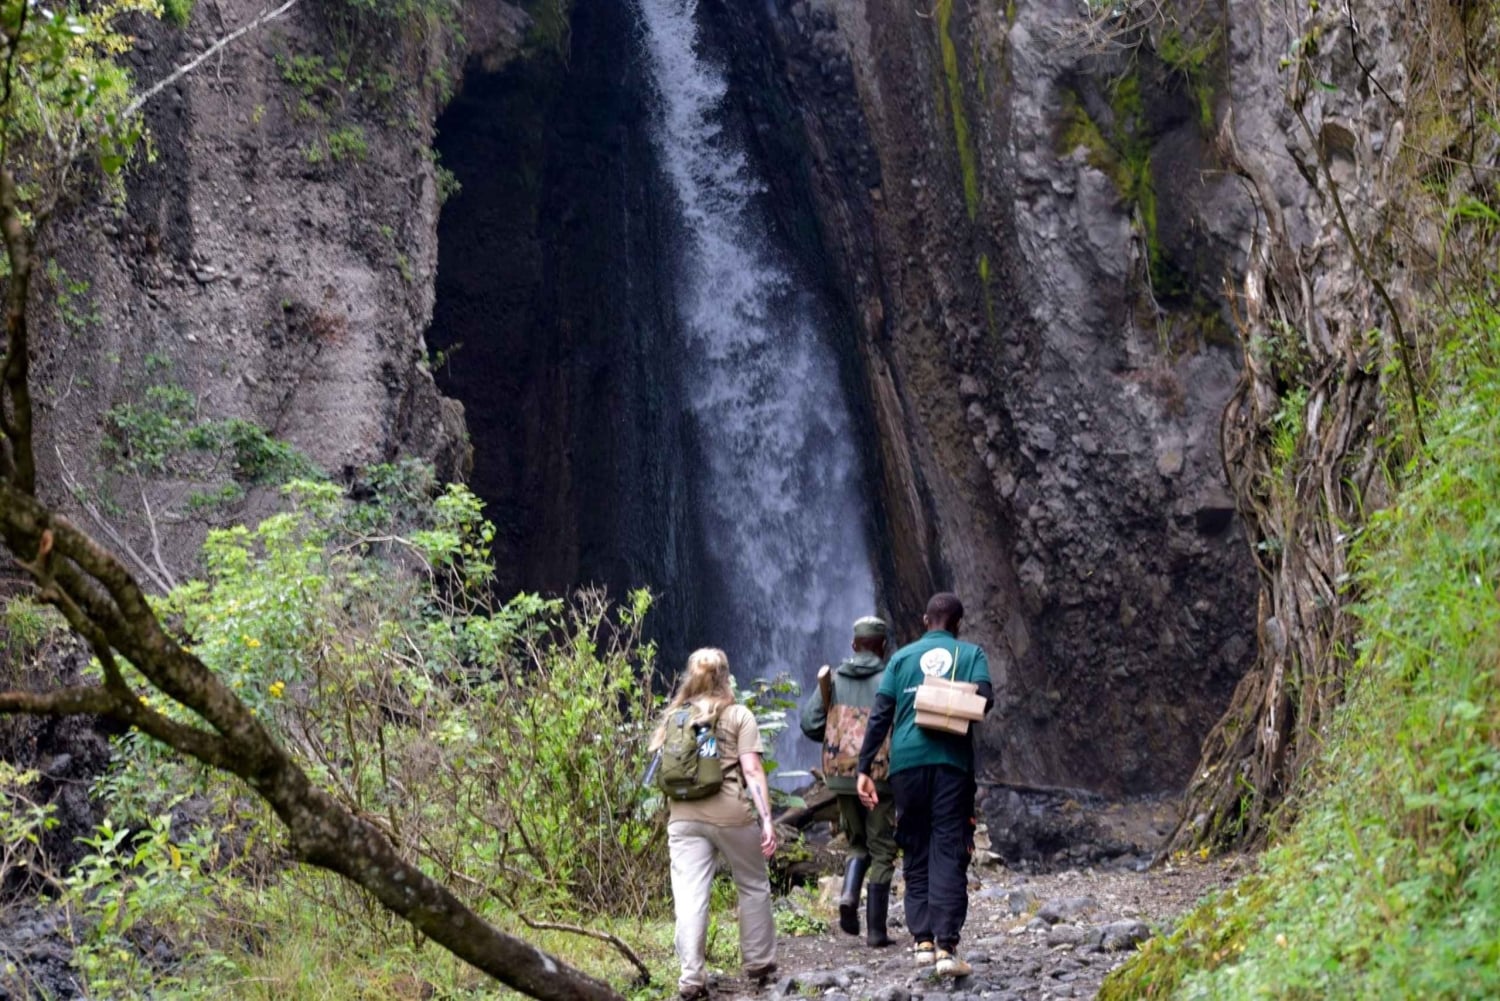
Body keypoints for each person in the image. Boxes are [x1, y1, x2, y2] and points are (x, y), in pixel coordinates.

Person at [856, 593, 993, 978]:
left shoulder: (900, 659)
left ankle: (922, 942)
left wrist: (864, 768)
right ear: (958, 623)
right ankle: (947, 947)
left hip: (906, 765)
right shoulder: (971, 654)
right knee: (948, 846)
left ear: (924, 620)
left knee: (915, 845)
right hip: (951, 764)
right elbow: (985, 700)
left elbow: (880, 715)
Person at [652, 648, 778, 1000]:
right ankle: (759, 964)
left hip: (683, 815)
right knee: (752, 883)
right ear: (725, 676)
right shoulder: (739, 715)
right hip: (730, 813)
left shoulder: (676, 716)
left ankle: (691, 977)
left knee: (689, 895)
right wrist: (767, 820)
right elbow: (752, 770)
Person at [799, 615, 897, 946]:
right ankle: (877, 931)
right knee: (882, 847)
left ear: (854, 645)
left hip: (839, 774)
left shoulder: (835, 679)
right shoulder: (889, 678)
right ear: (883, 646)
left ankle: (848, 896)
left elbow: (810, 723)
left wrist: (836, 735)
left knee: (857, 841)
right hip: (878, 774)